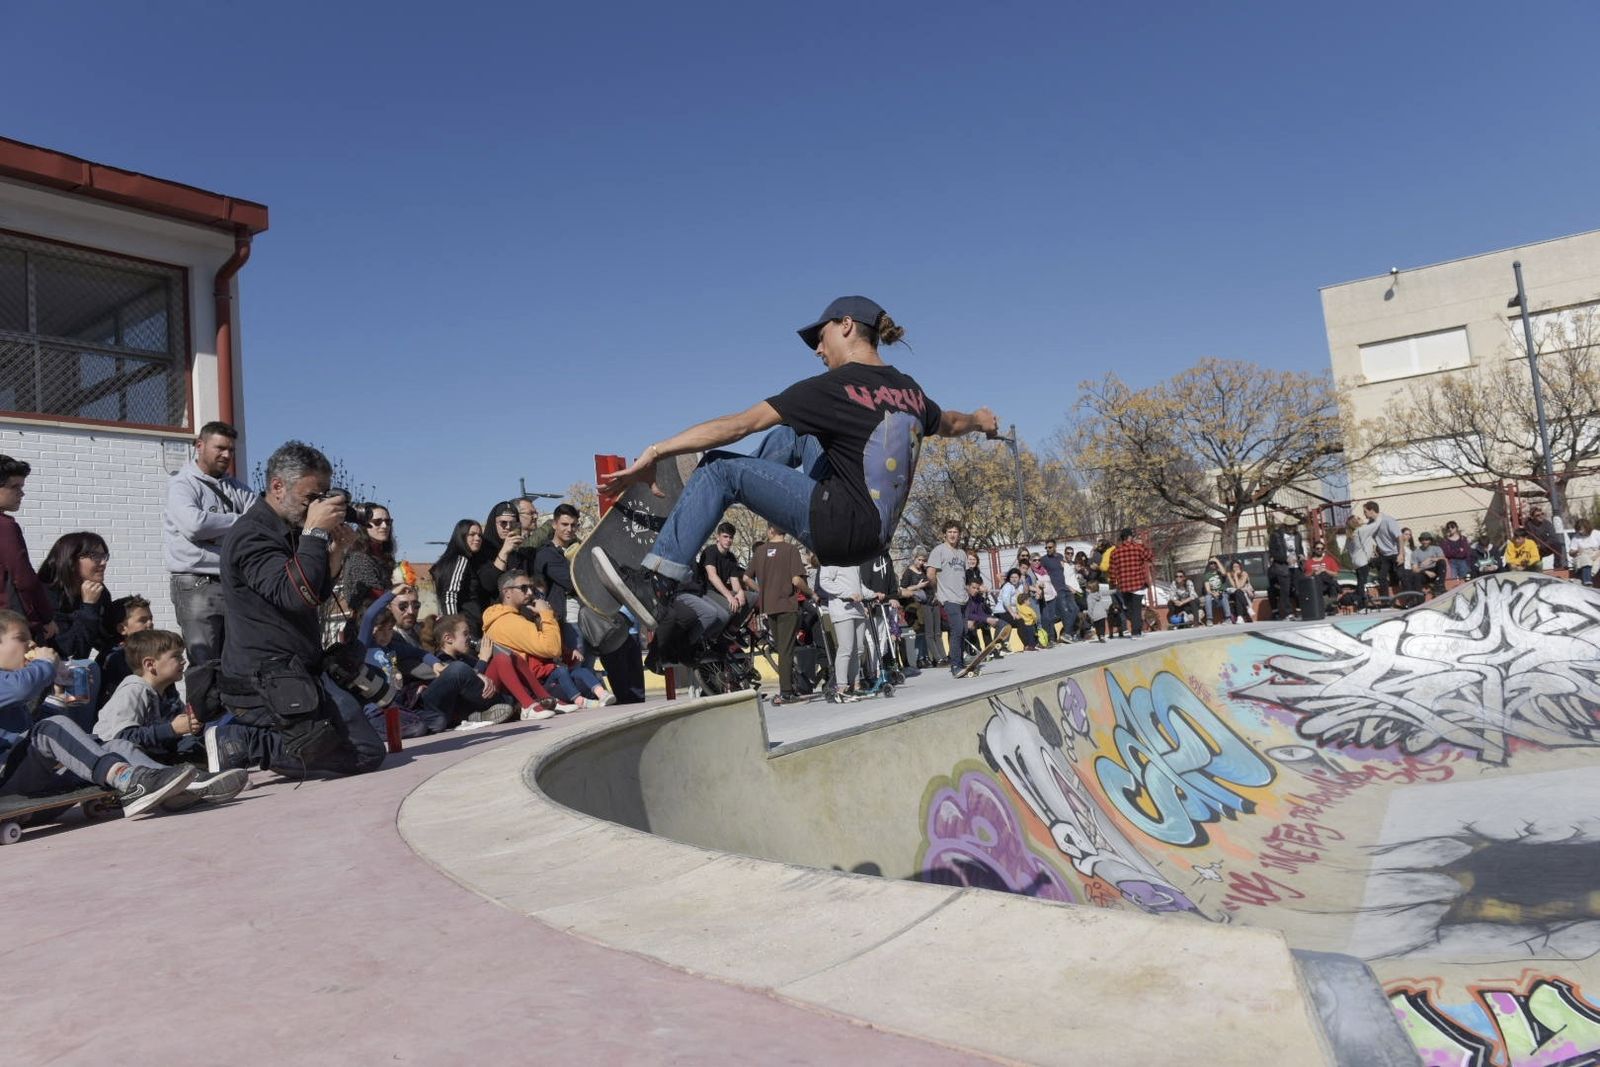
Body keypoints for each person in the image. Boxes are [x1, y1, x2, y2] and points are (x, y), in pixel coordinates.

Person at [595, 296, 997, 632]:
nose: (818, 352)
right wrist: (981, 420)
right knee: (799, 433)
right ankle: (724, 493)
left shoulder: (833, 388)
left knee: (720, 467)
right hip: (872, 537)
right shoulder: (911, 392)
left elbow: (740, 423)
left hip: (837, 525)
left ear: (845, 325)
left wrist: (656, 451)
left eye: (820, 340)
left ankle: (659, 582)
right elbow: (953, 423)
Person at [216, 441, 386, 777]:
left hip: (297, 670)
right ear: (278, 487)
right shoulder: (252, 535)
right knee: (365, 754)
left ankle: (291, 738)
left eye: (321, 498)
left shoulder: (291, 530)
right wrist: (314, 532)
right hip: (263, 681)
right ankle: (242, 739)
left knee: (376, 690)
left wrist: (335, 551)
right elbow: (294, 594)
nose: (316, 507)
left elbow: (311, 596)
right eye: (310, 498)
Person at [0, 609, 197, 815]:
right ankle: (127, 780)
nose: (32, 644)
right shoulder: (13, 686)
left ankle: (184, 785)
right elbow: (23, 693)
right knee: (50, 728)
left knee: (113, 746)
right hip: (6, 788)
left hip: (30, 788)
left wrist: (58, 697)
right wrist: (45, 664)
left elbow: (39, 739)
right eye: (21, 638)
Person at [91, 629, 250, 804]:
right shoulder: (133, 690)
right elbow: (122, 738)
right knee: (124, 748)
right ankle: (188, 784)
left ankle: (201, 781)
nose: (183, 661)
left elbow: (172, 738)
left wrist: (194, 729)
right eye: (176, 656)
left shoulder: (168, 694)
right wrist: (172, 729)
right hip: (118, 759)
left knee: (198, 744)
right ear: (150, 664)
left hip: (155, 757)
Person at [164, 420, 257, 691]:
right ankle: (204, 727)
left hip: (233, 583)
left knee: (238, 660)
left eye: (230, 450)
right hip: (195, 585)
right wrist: (239, 524)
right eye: (220, 448)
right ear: (200, 446)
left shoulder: (238, 488)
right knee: (205, 664)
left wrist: (215, 528)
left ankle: (233, 727)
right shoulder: (182, 484)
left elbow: (261, 524)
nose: (226, 455)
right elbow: (194, 526)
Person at [481, 572, 614, 711]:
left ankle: (595, 696)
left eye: (531, 587)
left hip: (535, 683)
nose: (530, 592)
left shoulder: (507, 617)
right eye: (524, 588)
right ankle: (576, 700)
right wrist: (545, 613)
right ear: (507, 592)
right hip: (534, 685)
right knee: (583, 684)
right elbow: (552, 648)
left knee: (583, 675)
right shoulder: (509, 621)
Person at [745, 525, 809, 704]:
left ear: (770, 530)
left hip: (769, 606)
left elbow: (746, 578)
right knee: (787, 650)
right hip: (787, 605)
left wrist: (763, 590)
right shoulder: (790, 550)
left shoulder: (760, 551)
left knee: (782, 649)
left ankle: (788, 688)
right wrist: (810, 592)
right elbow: (796, 579)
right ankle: (787, 692)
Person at [38, 532, 115, 664]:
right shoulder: (45, 593)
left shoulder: (98, 590)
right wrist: (89, 606)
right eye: (95, 556)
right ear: (71, 560)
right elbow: (71, 652)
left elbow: (106, 636)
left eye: (104, 556)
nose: (103, 563)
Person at [0, 455, 53, 641]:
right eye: (15, 487)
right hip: (10, 626)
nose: (21, 494)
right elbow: (23, 578)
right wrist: (46, 618)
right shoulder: (5, 527)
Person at [926, 522, 970, 677]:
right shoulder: (939, 551)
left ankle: (960, 662)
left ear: (960, 534)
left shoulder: (962, 553)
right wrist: (937, 591)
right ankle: (955, 665)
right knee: (957, 629)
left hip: (962, 598)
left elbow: (966, 575)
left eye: (955, 532)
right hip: (948, 598)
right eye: (950, 532)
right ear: (944, 534)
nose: (952, 535)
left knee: (963, 630)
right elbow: (931, 573)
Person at [818, 563, 868, 700]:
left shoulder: (853, 561)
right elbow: (825, 581)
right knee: (845, 648)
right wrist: (847, 594)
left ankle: (855, 684)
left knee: (858, 649)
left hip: (858, 609)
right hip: (842, 610)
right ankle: (841, 687)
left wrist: (872, 594)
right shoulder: (831, 559)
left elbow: (859, 585)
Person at [432, 519, 491, 634]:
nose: (478, 538)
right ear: (461, 536)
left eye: (479, 535)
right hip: (465, 628)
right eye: (472, 534)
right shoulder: (460, 560)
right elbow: (449, 595)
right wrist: (454, 628)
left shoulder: (460, 561)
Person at [337, 504, 398, 605]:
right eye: (377, 522)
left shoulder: (384, 555)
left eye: (388, 522)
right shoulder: (358, 556)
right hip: (369, 617)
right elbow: (374, 594)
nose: (384, 526)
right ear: (364, 525)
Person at [898, 547, 939, 667]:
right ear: (914, 558)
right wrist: (917, 586)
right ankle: (919, 657)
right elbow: (902, 589)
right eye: (919, 560)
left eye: (923, 560)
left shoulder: (924, 571)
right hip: (913, 607)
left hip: (926, 604)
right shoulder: (908, 572)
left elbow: (931, 586)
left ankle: (926, 656)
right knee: (919, 631)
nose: (921, 563)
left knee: (927, 631)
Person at [1108, 529, 1152, 638]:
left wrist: (1113, 582)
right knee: (1137, 609)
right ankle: (1136, 631)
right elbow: (1149, 556)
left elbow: (1112, 570)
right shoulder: (1138, 548)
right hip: (1138, 583)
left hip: (1124, 585)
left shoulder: (1115, 552)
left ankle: (1136, 628)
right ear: (1129, 537)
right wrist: (1143, 544)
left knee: (1130, 609)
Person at [1040, 539, 1080, 642]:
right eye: (1046, 547)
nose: (1048, 549)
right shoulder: (1044, 559)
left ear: (1055, 547)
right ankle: (1068, 634)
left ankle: (1067, 633)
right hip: (1057, 590)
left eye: (1050, 547)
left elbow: (1067, 570)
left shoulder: (1060, 557)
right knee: (1065, 612)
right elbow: (1038, 571)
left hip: (1066, 588)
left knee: (1075, 609)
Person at [1265, 522, 1305, 621]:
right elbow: (1273, 552)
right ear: (1286, 526)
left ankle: (1300, 611)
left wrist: (1301, 554)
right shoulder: (1276, 535)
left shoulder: (1297, 535)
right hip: (1283, 567)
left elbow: (1299, 548)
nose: (1293, 528)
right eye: (1291, 526)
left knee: (1299, 589)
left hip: (1296, 566)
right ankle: (1288, 614)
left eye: (1295, 526)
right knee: (1285, 591)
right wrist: (1285, 559)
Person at [1363, 501, 1403, 597]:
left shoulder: (1388, 520)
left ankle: (1411, 599)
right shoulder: (1370, 524)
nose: (1364, 514)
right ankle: (1386, 601)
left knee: (1401, 577)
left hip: (1395, 553)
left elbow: (1399, 537)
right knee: (1381, 577)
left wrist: (1401, 554)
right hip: (1384, 556)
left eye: (1365, 511)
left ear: (1371, 510)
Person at [996, 568, 1038, 649]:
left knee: (1029, 619)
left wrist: (1024, 580)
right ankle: (1027, 645)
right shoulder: (1008, 586)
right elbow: (1006, 602)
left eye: (1016, 577)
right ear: (1009, 578)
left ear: (1019, 578)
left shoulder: (1019, 586)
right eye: (1012, 577)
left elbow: (1025, 594)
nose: (1014, 579)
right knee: (1020, 621)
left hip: (1012, 612)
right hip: (1001, 612)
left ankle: (1033, 643)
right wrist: (1013, 614)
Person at [1345, 514, 1374, 610]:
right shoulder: (1360, 531)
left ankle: (1361, 604)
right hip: (1363, 562)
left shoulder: (1351, 535)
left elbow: (1348, 550)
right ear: (1355, 523)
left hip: (1356, 563)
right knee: (1363, 584)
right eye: (1358, 518)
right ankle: (1362, 605)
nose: (1360, 518)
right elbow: (1375, 525)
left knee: (1361, 583)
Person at [1303, 539, 1342, 608]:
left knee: (1325, 576)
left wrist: (1325, 570)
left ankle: (1332, 606)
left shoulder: (1329, 560)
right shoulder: (1308, 562)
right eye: (1318, 548)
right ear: (1314, 549)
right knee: (1322, 576)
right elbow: (1305, 577)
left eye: (1322, 549)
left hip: (1327, 584)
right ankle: (1338, 590)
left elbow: (1336, 574)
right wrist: (1314, 572)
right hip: (1315, 585)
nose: (1320, 550)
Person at [1524, 505, 1564, 570]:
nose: (1541, 516)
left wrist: (1542, 545)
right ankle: (1535, 569)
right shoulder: (1528, 525)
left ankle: (1558, 566)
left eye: (1542, 514)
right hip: (1534, 548)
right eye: (1537, 515)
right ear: (1532, 517)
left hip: (1546, 546)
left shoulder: (1547, 523)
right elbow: (1527, 537)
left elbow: (1553, 537)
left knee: (1557, 544)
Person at [1567, 518, 1599, 585]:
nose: (1580, 532)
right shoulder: (1576, 537)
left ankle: (1580, 579)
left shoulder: (1596, 533)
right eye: (1579, 530)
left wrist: (1597, 554)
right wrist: (1576, 551)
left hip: (1596, 553)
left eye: (1581, 529)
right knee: (1585, 558)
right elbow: (1571, 553)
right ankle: (1587, 581)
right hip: (1582, 555)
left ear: (1587, 527)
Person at [1201, 558, 1232, 624]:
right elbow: (1208, 589)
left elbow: (1224, 573)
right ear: (1209, 565)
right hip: (1213, 597)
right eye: (1211, 563)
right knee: (1207, 597)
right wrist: (1213, 593)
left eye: (1214, 563)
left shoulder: (1220, 573)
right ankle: (1209, 619)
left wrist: (1217, 560)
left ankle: (1228, 618)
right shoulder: (1207, 575)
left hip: (1222, 595)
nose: (1213, 564)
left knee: (1223, 595)